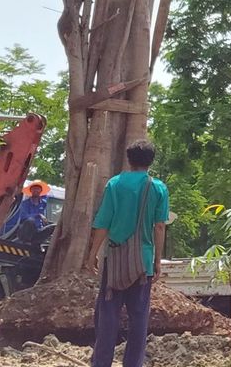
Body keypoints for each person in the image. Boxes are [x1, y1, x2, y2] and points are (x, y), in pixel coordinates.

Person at [85, 139, 169, 367]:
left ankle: (101, 363)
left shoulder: (115, 184)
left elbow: (103, 223)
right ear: (151, 161)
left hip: (115, 260)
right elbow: (159, 226)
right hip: (143, 263)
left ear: (129, 160)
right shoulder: (158, 188)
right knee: (139, 318)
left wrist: (93, 253)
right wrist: (157, 260)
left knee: (107, 316)